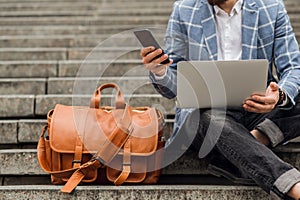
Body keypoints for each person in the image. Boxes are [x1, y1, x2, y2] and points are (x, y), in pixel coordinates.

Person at [139, 0, 300, 199]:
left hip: (257, 110)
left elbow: (293, 68)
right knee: (211, 120)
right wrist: (161, 72)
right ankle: (293, 186)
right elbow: (174, 86)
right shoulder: (184, 9)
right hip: (206, 116)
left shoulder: (271, 7)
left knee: (294, 93)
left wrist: (278, 95)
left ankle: (248, 142)